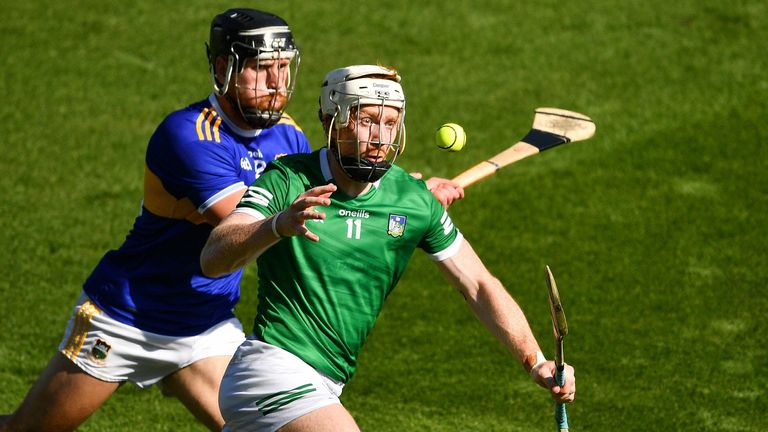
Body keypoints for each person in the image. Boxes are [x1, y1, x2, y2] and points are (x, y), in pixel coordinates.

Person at [0, 9, 463, 432]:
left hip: (207, 327)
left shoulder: (288, 134)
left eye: (283, 68)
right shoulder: (189, 135)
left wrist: (401, 190)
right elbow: (253, 221)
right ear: (223, 68)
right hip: (129, 318)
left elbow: (332, 188)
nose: (276, 82)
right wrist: (398, 204)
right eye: (261, 68)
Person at [200, 64, 576, 432]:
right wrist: (276, 225)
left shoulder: (412, 200)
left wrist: (536, 361)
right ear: (333, 120)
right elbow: (213, 257)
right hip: (272, 371)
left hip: (326, 382)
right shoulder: (288, 178)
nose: (380, 137)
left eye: (390, 122)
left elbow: (479, 284)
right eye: (366, 120)